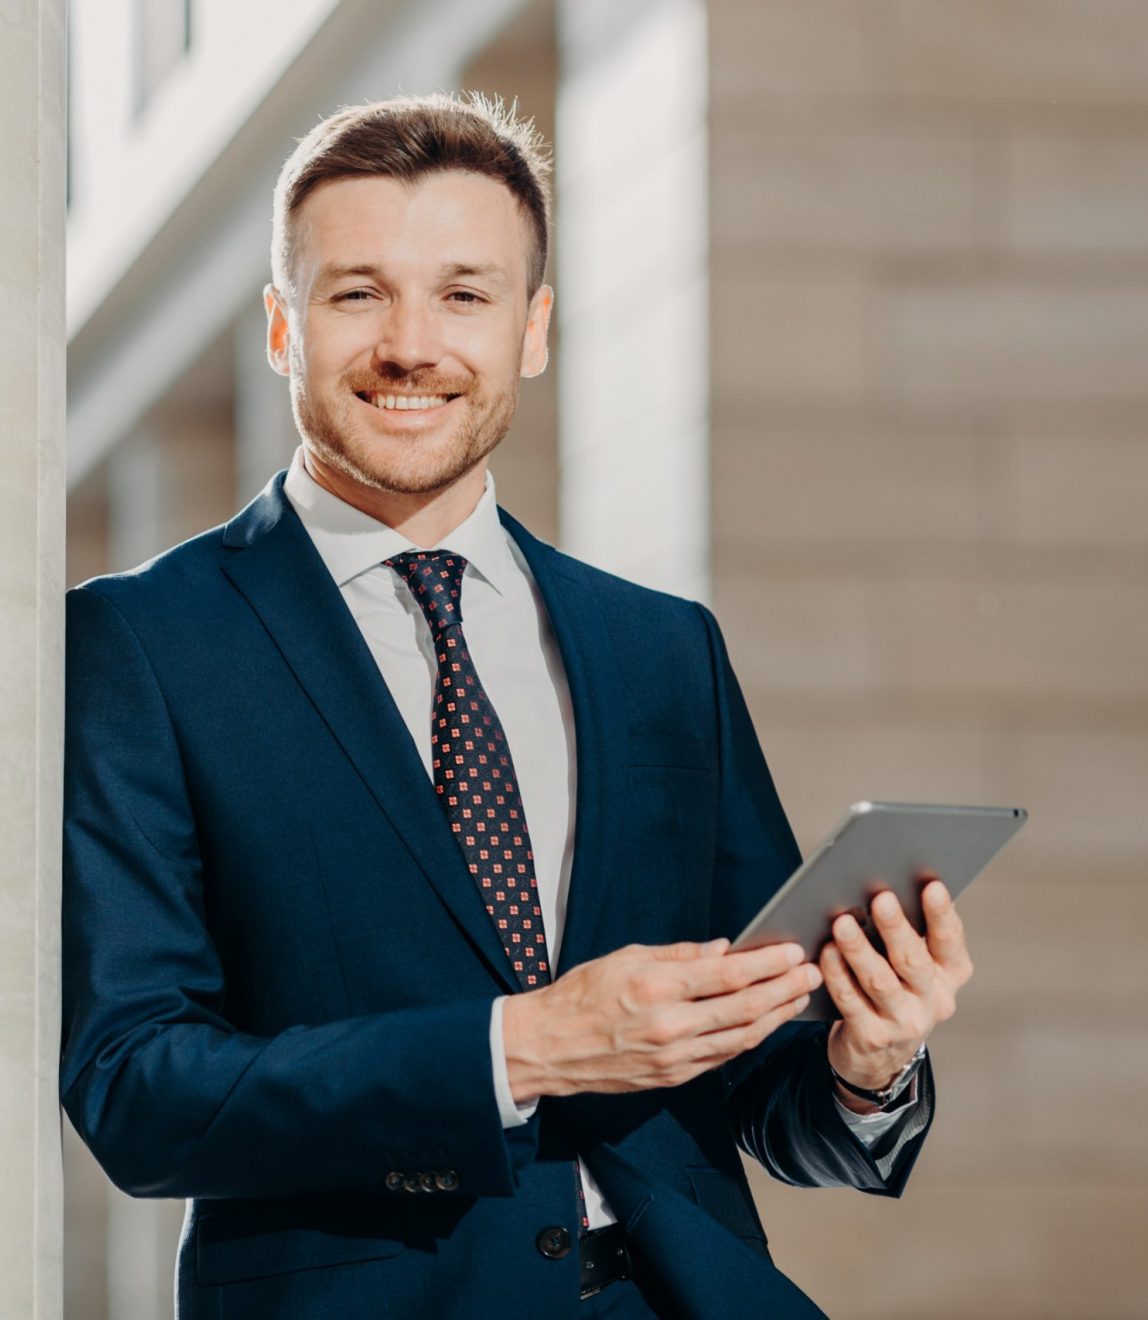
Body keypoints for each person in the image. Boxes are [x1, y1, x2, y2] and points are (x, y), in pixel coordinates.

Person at [60, 91, 972, 1319]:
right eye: (357, 294)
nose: (411, 345)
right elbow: (135, 1087)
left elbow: (764, 1087)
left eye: (464, 295)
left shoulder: (661, 650)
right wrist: (521, 1047)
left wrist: (868, 1064)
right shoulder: (145, 644)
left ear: (532, 330)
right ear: (282, 327)